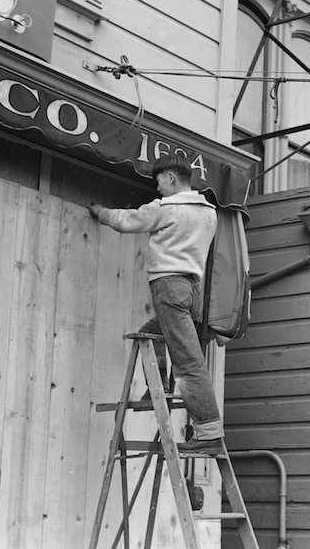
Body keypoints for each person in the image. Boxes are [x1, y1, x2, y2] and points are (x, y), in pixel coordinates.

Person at [88, 154, 224, 454]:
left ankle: (209, 432)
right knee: (150, 334)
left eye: (159, 181)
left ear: (172, 178)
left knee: (188, 363)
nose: (157, 188)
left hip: (169, 288)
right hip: (193, 290)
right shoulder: (208, 213)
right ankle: (158, 387)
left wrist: (101, 213)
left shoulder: (166, 208)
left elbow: (127, 220)